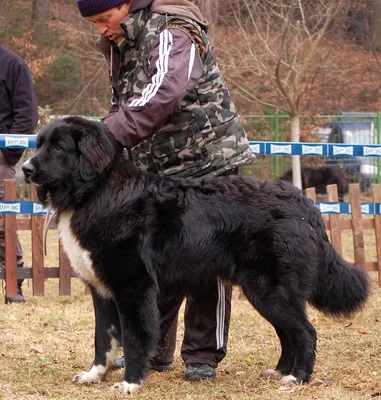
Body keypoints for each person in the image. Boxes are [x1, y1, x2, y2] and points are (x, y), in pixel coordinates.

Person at [76, 0, 254, 381]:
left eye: (104, 19)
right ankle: (153, 349)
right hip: (157, 166)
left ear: (125, 5)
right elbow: (125, 101)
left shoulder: (175, 29)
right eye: (94, 23)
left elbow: (165, 92)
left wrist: (106, 137)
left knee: (211, 259)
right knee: (155, 261)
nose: (102, 29)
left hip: (210, 158)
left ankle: (202, 355)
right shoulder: (123, 41)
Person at [0, 44, 38, 304]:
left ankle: (15, 280)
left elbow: (26, 115)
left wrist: (7, 155)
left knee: (4, 219)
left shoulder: (13, 65)